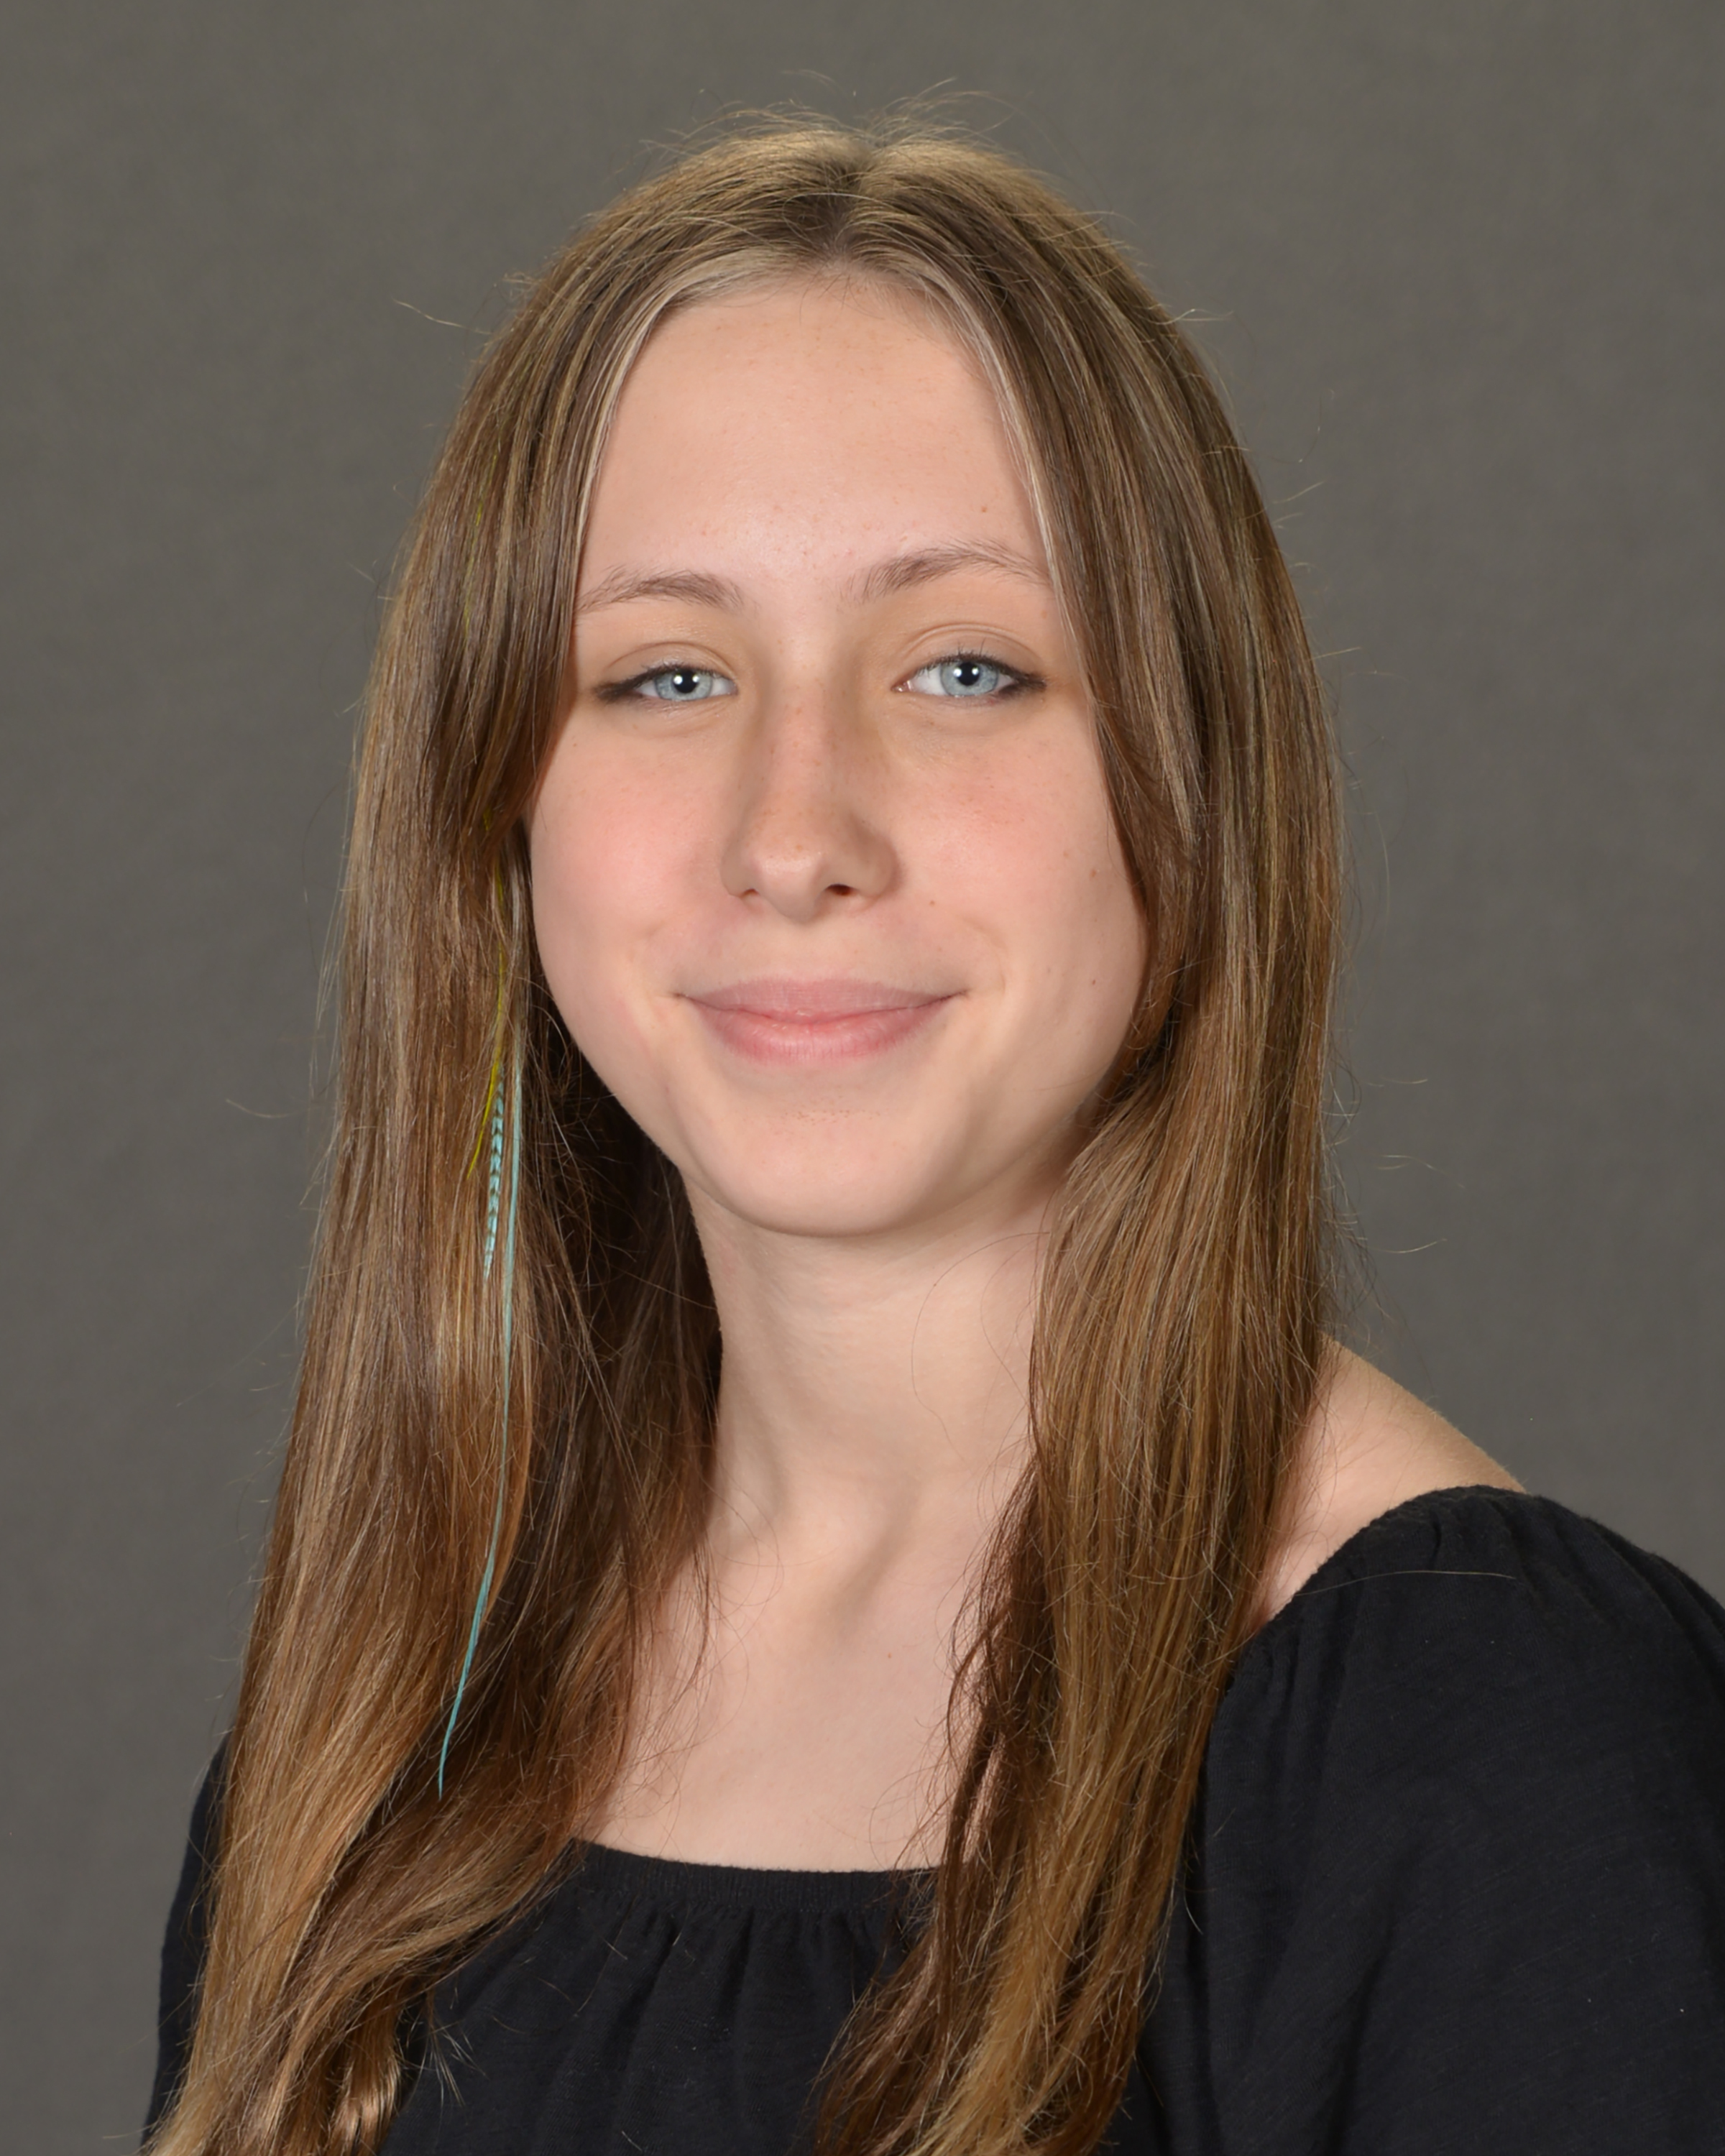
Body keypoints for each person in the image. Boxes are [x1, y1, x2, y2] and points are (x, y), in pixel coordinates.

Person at [144, 119, 1725, 2156]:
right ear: (496, 812)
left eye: (966, 667)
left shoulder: (1499, 1744)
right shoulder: (381, 1738)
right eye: (668, 673)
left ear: (1191, 775)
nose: (795, 832)